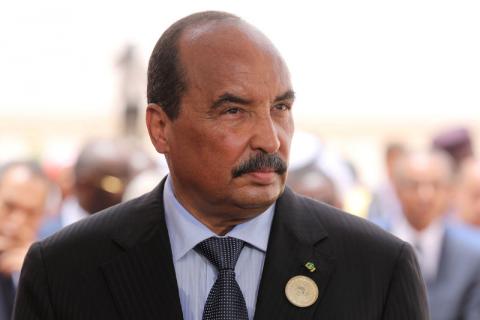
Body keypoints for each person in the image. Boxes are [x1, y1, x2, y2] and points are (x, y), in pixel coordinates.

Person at [14, 11, 428, 319]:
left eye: (281, 107)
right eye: (234, 111)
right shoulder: (65, 270)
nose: (271, 138)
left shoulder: (377, 267)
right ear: (161, 128)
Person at [375, 149, 480, 320]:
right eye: (414, 185)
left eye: (435, 185)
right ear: (396, 189)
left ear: (449, 191)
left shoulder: (473, 252)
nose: (425, 195)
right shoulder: (372, 242)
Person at [0, 161, 49, 320]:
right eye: (9, 206)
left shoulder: (47, 266)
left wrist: (37, 277)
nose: (16, 223)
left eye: (31, 213)